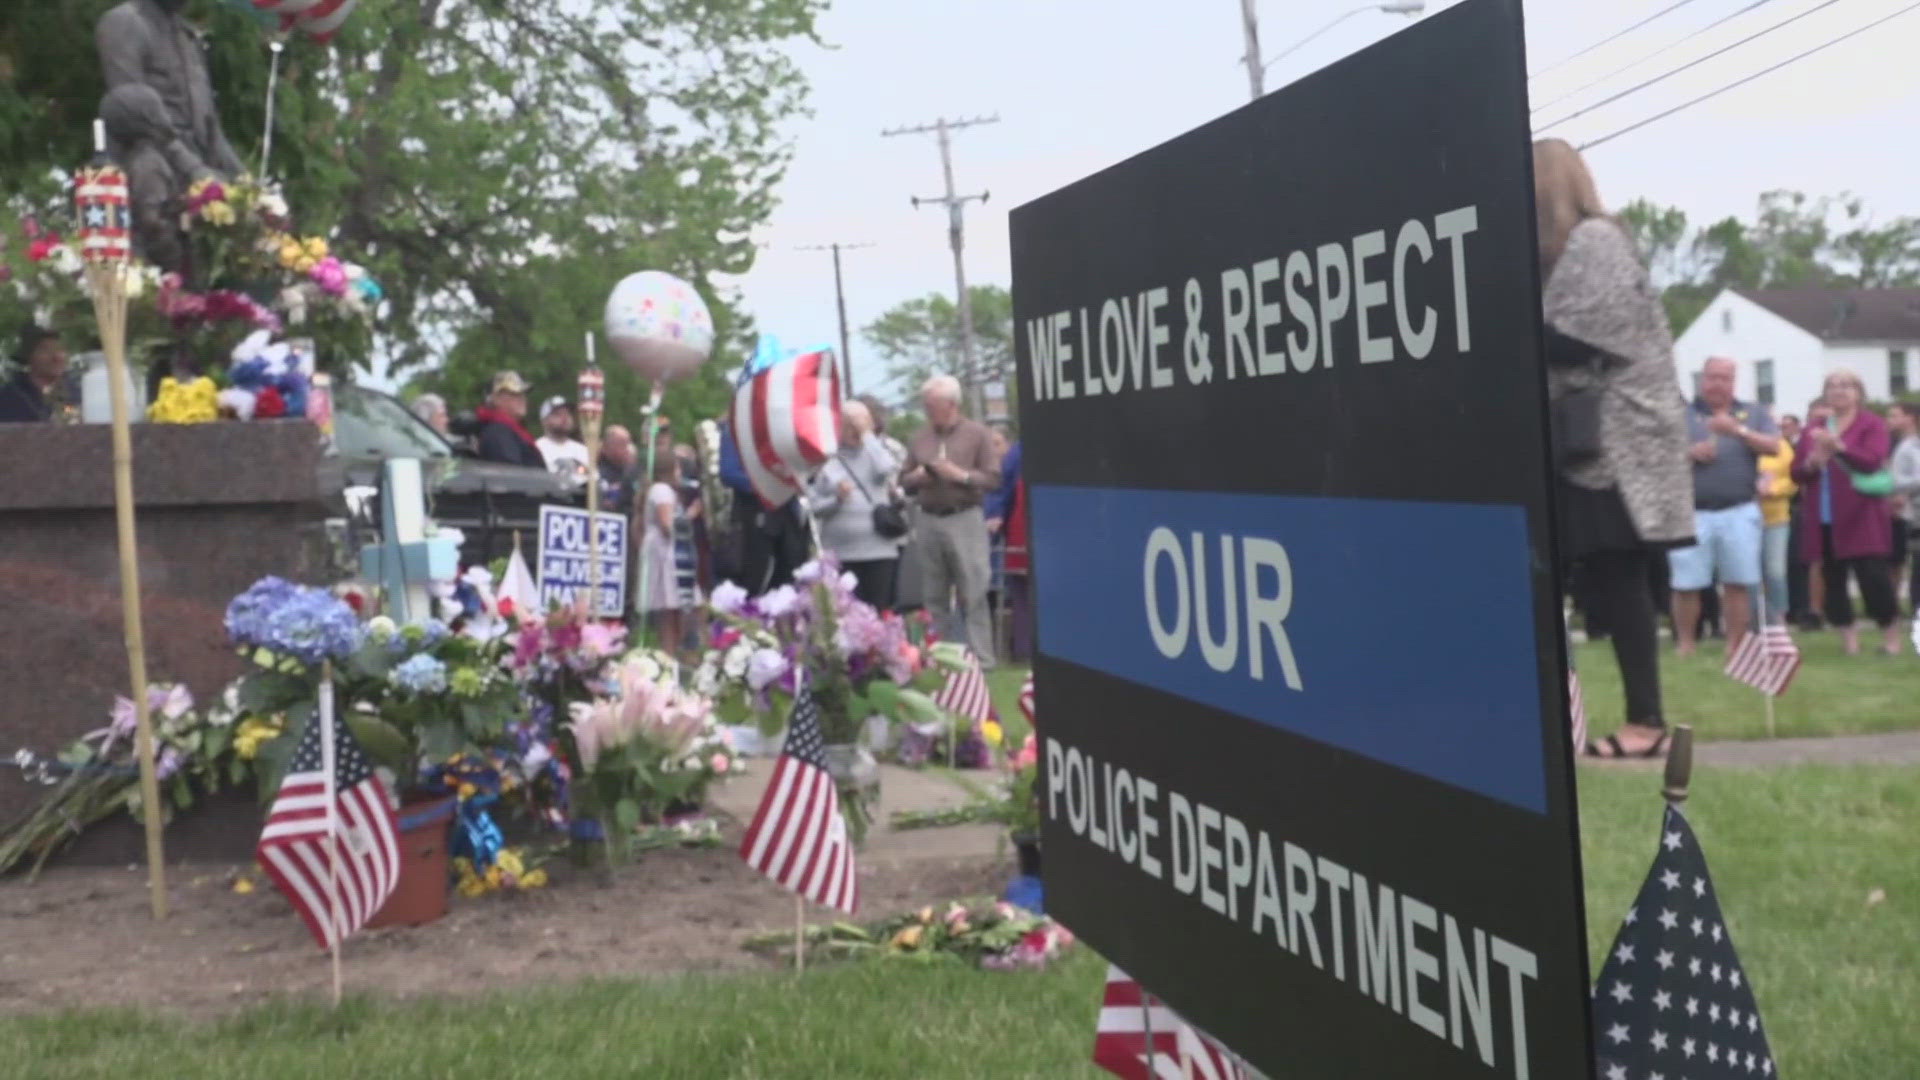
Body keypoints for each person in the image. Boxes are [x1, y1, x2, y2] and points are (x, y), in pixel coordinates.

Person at [1535, 139, 1693, 759]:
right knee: (1592, 577)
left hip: (1616, 447)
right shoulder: (1560, 257)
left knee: (1618, 577)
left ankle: (1646, 722)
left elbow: (1578, 339)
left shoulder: (1595, 241)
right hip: (1584, 441)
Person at [1666, 357, 1780, 653]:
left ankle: (1736, 646)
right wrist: (1689, 453)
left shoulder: (1752, 413)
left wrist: (1737, 431)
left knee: (1737, 581)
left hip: (1739, 510)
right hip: (1691, 511)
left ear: (1734, 381)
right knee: (1686, 582)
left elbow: (1774, 446)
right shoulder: (1682, 414)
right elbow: (1659, 457)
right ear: (1702, 379)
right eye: (1712, 377)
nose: (1717, 383)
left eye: (1725, 378)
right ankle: (1686, 644)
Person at [1792, 370, 1899, 655]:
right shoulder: (1813, 427)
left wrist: (1839, 447)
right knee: (1833, 581)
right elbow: (1797, 473)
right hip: (1824, 517)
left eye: (1846, 385)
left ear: (1858, 392)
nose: (1838, 391)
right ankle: (1849, 641)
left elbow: (1873, 461)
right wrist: (1813, 462)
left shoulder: (1871, 424)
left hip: (1862, 515)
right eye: (1832, 386)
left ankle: (1890, 638)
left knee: (1874, 579)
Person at [903, 374, 1002, 668]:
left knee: (974, 590)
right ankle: (939, 658)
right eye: (925, 406)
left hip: (965, 518)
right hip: (929, 518)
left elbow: (994, 478)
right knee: (933, 593)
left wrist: (960, 475)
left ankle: (982, 659)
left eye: (931, 405)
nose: (927, 411)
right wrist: (917, 477)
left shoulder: (977, 434)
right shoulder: (919, 437)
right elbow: (902, 479)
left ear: (951, 404)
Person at [808, 400, 902, 610]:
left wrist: (867, 434)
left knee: (879, 613)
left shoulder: (877, 453)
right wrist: (836, 500)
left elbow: (888, 468)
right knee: (847, 616)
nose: (854, 430)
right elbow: (813, 507)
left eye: (860, 423)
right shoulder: (825, 460)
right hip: (841, 554)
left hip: (879, 551)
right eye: (848, 424)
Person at [716, 421, 811, 595]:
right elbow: (729, 473)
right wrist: (766, 485)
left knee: (791, 572)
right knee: (754, 577)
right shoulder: (736, 428)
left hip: (788, 512)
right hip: (753, 514)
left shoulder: (786, 427)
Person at [639, 454, 701, 654]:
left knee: (672, 611)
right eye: (677, 469)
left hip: (667, 550)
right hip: (666, 553)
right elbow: (667, 525)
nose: (680, 473)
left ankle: (674, 654)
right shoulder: (662, 490)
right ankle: (671, 655)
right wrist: (692, 513)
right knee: (670, 610)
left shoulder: (660, 490)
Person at [985, 430, 1030, 663]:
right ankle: (1023, 649)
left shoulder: (1017, 454)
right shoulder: (1018, 454)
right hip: (1022, 531)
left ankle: (1023, 650)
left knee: (1022, 596)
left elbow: (1002, 491)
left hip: (1023, 531)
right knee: (1021, 595)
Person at [1756, 416, 1797, 628]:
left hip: (1776, 518)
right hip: (1746, 518)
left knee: (1775, 571)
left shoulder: (1783, 447)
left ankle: (1779, 619)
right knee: (1750, 574)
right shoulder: (1744, 445)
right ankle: (1754, 621)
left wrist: (1773, 489)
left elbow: (1793, 481)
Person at [473, 371, 545, 468]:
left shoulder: (511, 431)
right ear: (496, 399)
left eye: (523, 393)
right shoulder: (498, 432)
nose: (522, 398)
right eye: (514, 393)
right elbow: (511, 476)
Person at [0, 326, 70, 423]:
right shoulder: (9, 398)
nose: (56, 357)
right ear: (27, 356)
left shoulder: (78, 393)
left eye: (60, 349)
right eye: (45, 350)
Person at [1890, 402, 1920, 615]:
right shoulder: (1902, 446)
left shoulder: (1911, 447)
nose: (1889, 420)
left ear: (1910, 418)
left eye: (1895, 415)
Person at [535, 396, 590, 482]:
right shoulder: (536, 449)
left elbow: (594, 482)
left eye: (567, 413)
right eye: (557, 414)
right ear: (544, 420)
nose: (564, 418)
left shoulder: (583, 450)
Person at [598, 424, 639, 513]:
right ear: (607, 446)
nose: (627, 449)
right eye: (622, 444)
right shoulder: (595, 471)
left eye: (628, 443)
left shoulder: (634, 474)